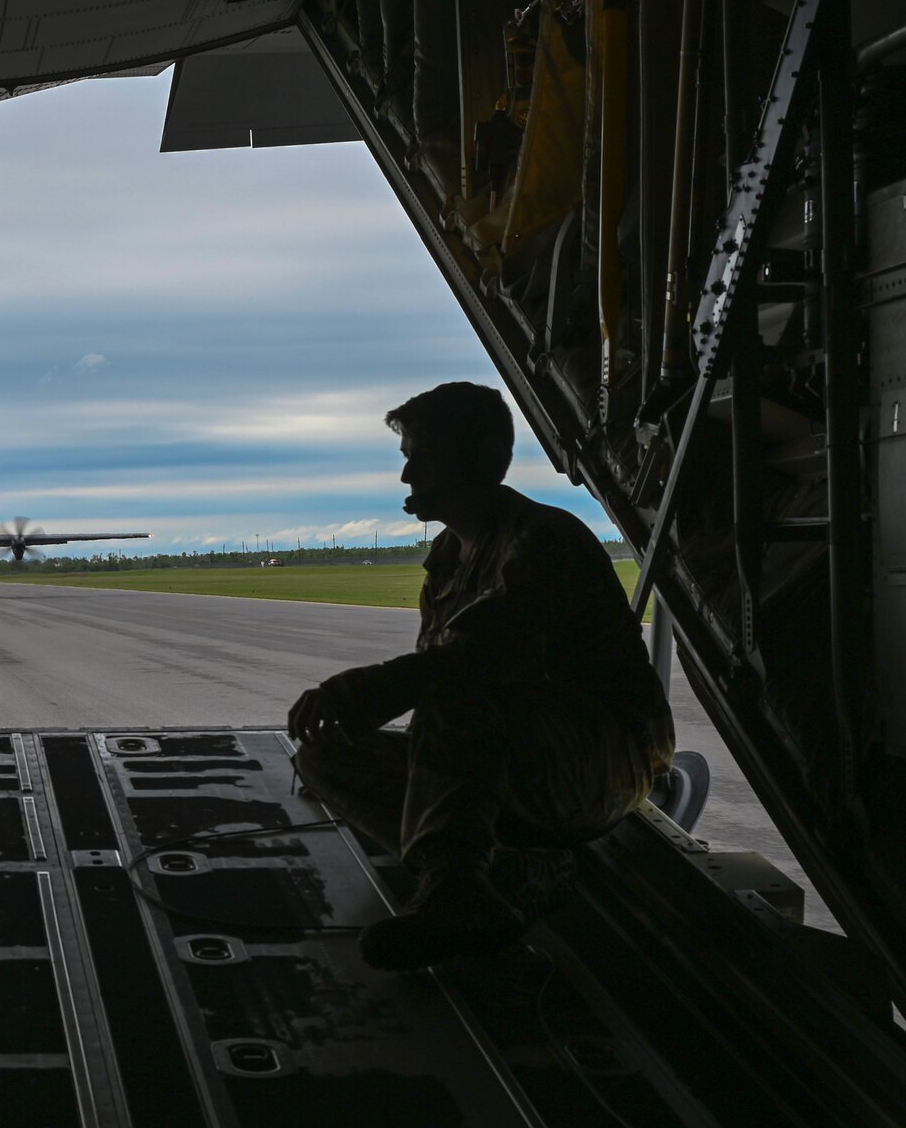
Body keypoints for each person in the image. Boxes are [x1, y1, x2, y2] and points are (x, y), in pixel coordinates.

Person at [288, 382, 673, 970]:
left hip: (606, 759)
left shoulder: (543, 541)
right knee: (322, 756)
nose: (406, 477)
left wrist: (362, 689)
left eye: (423, 457)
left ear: (485, 461)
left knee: (454, 695)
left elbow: (479, 662)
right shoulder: (447, 559)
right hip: (523, 759)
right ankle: (508, 869)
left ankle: (458, 888)